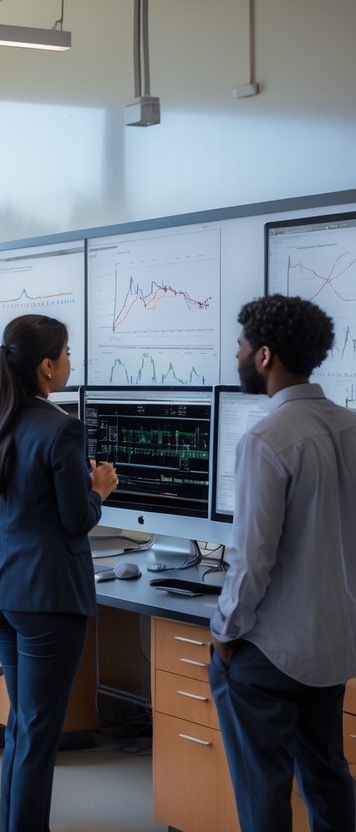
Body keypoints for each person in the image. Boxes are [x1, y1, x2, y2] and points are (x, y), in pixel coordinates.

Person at [208, 295, 356, 832]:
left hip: (269, 654)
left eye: (242, 345)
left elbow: (251, 560)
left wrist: (224, 633)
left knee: (263, 794)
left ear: (265, 355)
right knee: (328, 779)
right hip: (334, 646)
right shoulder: (351, 426)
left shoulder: (266, 440)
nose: (237, 353)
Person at [0, 314, 116, 832]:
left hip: (0, 590)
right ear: (48, 366)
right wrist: (99, 489)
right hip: (47, 597)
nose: (72, 361)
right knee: (37, 732)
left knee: (22, 726)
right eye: (68, 352)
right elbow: (76, 521)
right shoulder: (62, 428)